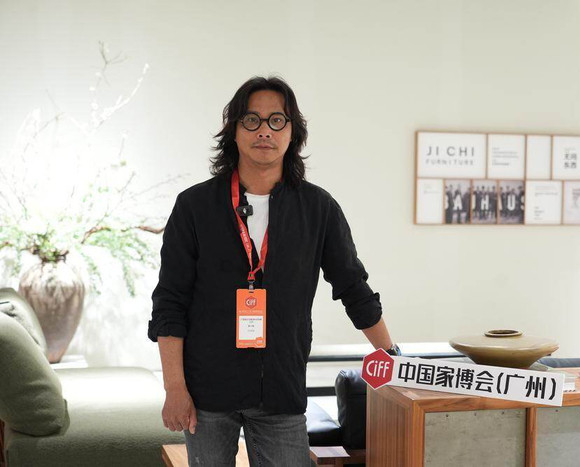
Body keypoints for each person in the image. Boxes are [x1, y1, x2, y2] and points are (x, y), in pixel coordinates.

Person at [147, 76, 398, 466]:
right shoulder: (194, 207)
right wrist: (174, 387)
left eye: (276, 120)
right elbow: (169, 302)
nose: (264, 130)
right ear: (234, 130)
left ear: (292, 132)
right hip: (207, 391)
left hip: (280, 389)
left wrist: (392, 357)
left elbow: (353, 288)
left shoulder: (318, 209)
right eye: (252, 120)